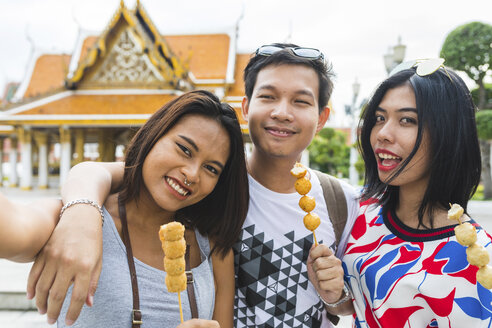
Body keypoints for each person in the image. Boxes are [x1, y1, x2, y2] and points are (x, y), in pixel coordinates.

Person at [28, 44, 359, 327]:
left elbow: (356, 304)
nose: (282, 112)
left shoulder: (341, 201)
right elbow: (123, 173)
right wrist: (82, 209)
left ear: (322, 117)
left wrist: (336, 295)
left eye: (301, 102)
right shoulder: (212, 191)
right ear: (246, 107)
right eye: (268, 96)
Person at [19, 90, 249, 327]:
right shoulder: (74, 217)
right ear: (153, 136)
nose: (192, 174)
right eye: (185, 149)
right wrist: (81, 210)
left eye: (211, 169)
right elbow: (15, 227)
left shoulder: (213, 250)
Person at [339, 59, 492, 326]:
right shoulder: (362, 211)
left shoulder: (479, 261)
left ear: (447, 133)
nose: (383, 133)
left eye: (407, 120)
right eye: (379, 118)